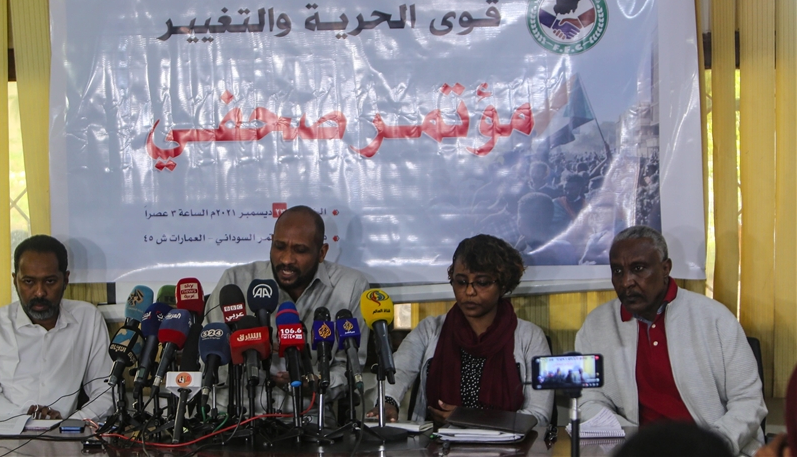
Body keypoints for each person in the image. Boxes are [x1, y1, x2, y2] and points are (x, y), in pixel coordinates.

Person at [575, 226, 766, 456]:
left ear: (666, 268)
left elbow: (748, 400)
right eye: (617, 271)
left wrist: (712, 446)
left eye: (638, 269)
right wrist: (635, 444)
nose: (626, 282)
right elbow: (588, 399)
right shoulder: (596, 325)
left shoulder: (714, 318)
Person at [203, 205, 370, 423]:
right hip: (235, 418)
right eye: (279, 246)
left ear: (322, 253)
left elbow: (349, 366)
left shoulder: (350, 286)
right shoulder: (234, 281)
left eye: (300, 250)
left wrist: (318, 382)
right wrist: (248, 352)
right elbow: (208, 360)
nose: (287, 259)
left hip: (308, 418)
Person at [367, 234, 553, 426]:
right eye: (461, 282)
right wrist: (387, 403)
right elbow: (398, 372)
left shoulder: (531, 337)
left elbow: (539, 415)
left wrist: (469, 418)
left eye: (482, 282)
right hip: (436, 440)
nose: (469, 292)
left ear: (503, 284)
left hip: (509, 443)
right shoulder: (430, 330)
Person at [0, 235, 113, 421]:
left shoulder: (87, 319)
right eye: (28, 282)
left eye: (50, 281)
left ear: (66, 279)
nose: (40, 292)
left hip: (61, 433)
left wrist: (70, 425)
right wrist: (31, 419)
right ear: (15, 281)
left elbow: (105, 393)